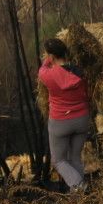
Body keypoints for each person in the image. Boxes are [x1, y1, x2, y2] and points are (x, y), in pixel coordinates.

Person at [38, 38, 93, 193]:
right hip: (82, 119)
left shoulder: (48, 75)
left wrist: (47, 61)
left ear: (51, 57)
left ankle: (80, 187)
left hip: (61, 122)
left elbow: (42, 70)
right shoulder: (81, 72)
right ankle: (78, 201)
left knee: (59, 161)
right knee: (75, 157)